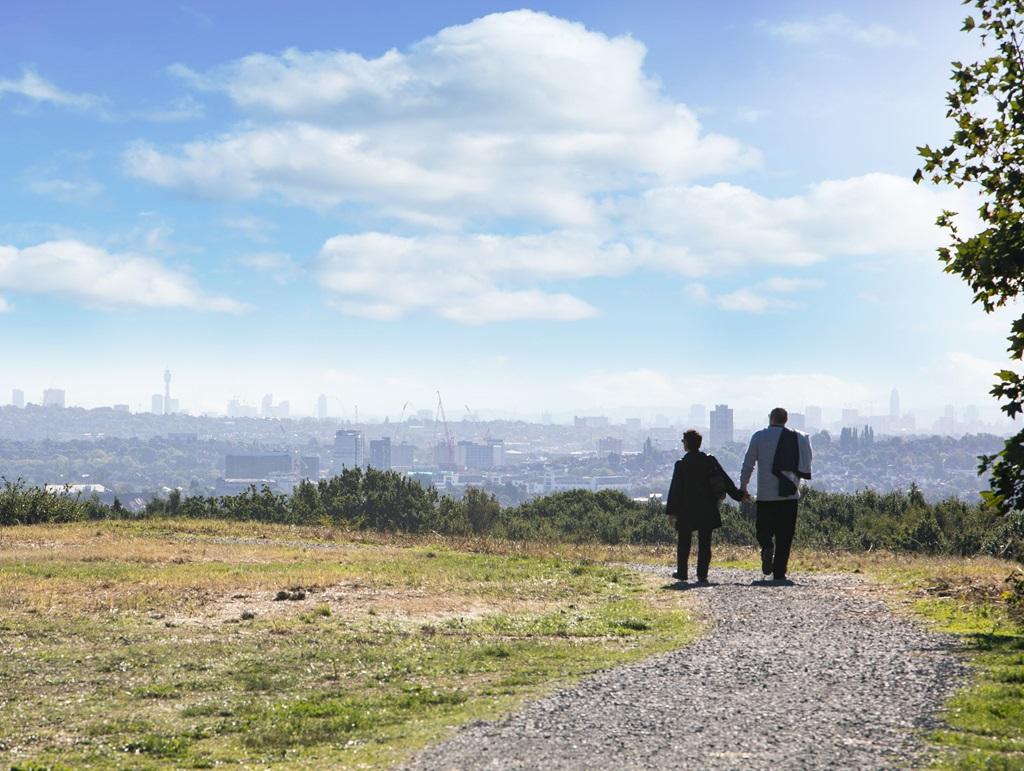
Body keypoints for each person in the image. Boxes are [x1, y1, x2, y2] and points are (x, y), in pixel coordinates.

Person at [739, 407, 813, 583]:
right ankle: (779, 572)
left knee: (763, 530)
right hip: (789, 495)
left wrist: (743, 486)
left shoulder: (758, 437)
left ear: (770, 418)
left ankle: (766, 546)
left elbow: (749, 463)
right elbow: (807, 460)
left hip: (765, 495)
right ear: (786, 420)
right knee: (785, 535)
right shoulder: (797, 438)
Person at [665, 429, 744, 584]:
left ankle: (682, 572)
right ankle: (702, 575)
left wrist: (671, 512)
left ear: (686, 443)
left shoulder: (681, 464)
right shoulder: (710, 461)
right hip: (707, 507)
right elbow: (725, 480)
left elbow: (675, 489)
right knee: (705, 542)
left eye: (683, 441)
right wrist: (739, 496)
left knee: (684, 541)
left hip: (686, 509)